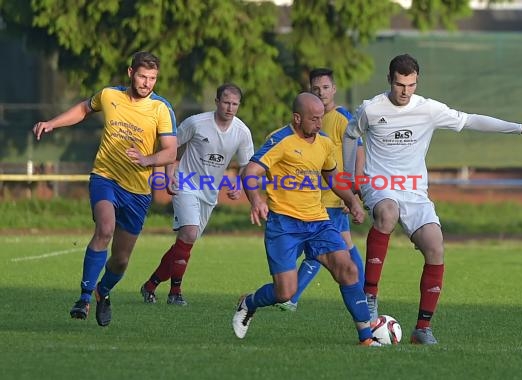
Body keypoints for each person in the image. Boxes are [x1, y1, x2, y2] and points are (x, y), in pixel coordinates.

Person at [342, 53, 522, 344]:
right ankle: (370, 296)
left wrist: (519, 128)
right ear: (390, 79)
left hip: (415, 192)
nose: (405, 91)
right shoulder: (371, 109)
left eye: (411, 85)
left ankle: (422, 329)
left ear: (417, 82)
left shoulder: (428, 109)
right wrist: (354, 178)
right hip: (380, 184)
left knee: (436, 247)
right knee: (387, 212)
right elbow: (350, 135)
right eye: (400, 84)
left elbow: (470, 120)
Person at [32, 51, 177, 327]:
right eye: (143, 76)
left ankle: (103, 292)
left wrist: (147, 159)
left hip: (137, 191)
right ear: (130, 73)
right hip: (105, 177)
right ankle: (84, 297)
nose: (147, 83)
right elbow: (84, 109)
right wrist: (52, 123)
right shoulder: (110, 95)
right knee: (105, 228)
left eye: (153, 78)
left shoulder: (161, 109)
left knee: (121, 260)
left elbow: (170, 151)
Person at [232, 92, 382, 347]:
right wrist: (256, 200)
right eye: (314, 119)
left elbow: (333, 177)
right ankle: (249, 303)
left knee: (348, 269)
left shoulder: (323, 142)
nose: (319, 123)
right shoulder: (280, 140)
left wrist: (352, 201)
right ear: (297, 118)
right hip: (284, 225)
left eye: (321, 117)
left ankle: (366, 338)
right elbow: (251, 171)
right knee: (285, 293)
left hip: (318, 221)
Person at [140, 83, 254, 306]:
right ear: (217, 102)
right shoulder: (196, 123)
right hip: (185, 185)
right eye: (226, 102)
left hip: (208, 193)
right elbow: (170, 147)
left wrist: (238, 185)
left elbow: (246, 165)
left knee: (184, 244)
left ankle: (150, 285)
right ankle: (175, 292)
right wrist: (170, 172)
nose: (230, 108)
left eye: (235, 104)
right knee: (189, 234)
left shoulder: (242, 132)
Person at [275, 68, 365, 312]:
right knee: (339, 249)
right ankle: (365, 294)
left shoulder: (341, 117)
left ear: (334, 89)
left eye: (326, 88)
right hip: (315, 198)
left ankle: (291, 296)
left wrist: (353, 190)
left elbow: (357, 150)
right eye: (316, 89)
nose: (321, 93)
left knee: (329, 250)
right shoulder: (308, 119)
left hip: (333, 197)